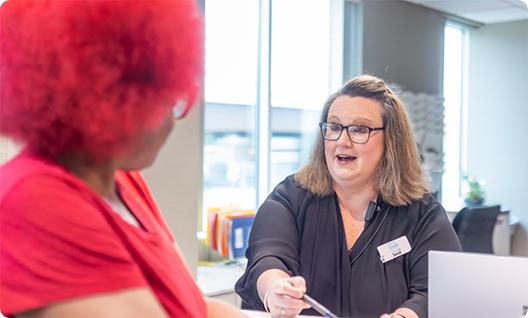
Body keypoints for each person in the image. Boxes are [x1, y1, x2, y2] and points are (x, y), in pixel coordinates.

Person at [0, 1, 247, 318]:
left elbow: (197, 307)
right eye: (163, 101)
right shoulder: (33, 200)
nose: (173, 122)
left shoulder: (126, 182)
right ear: (101, 99)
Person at [235, 75, 462, 318]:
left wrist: (405, 316)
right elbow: (267, 259)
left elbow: (439, 291)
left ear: (391, 141)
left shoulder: (422, 213)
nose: (343, 141)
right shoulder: (290, 198)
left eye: (359, 129)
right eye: (334, 127)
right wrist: (275, 291)